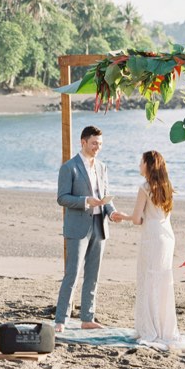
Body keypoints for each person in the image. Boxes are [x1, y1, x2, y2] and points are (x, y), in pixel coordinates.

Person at [112, 151, 185, 352]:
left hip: (152, 236)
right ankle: (164, 328)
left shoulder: (145, 188)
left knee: (149, 279)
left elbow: (138, 219)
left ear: (149, 165)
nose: (139, 165)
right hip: (167, 235)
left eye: (141, 162)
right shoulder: (168, 187)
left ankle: (150, 328)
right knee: (163, 281)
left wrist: (123, 216)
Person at [54, 125, 120, 333]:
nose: (97, 148)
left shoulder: (102, 167)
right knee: (72, 274)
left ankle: (87, 318)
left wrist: (111, 212)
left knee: (93, 274)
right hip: (78, 227)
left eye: (100, 144)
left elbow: (105, 195)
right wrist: (85, 201)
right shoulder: (69, 167)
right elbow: (62, 198)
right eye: (94, 144)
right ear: (83, 142)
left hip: (100, 226)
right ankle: (60, 320)